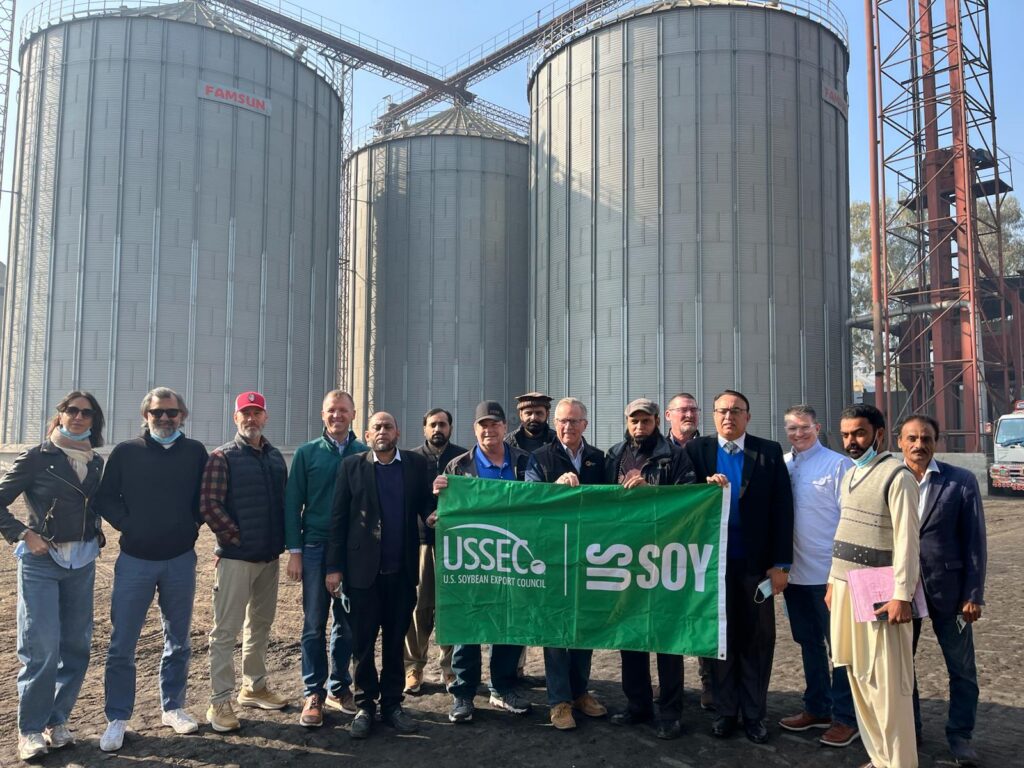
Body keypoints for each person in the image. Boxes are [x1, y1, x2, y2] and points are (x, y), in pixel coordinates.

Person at [95, 387, 209, 751]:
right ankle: (117, 717)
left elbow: (205, 497)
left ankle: (172, 707)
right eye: (157, 412)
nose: (164, 418)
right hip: (135, 561)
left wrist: (191, 525)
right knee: (122, 644)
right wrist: (129, 525)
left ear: (182, 416)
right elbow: (105, 498)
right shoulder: (126, 452)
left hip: (180, 560)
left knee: (178, 640)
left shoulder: (195, 452)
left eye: (171, 412)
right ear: (146, 415)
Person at [0, 391, 105, 761]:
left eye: (86, 412)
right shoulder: (36, 457)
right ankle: (30, 729)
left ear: (94, 420)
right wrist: (23, 534)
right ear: (59, 415)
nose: (78, 416)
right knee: (41, 647)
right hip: (42, 562)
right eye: (71, 410)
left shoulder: (96, 462)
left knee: (76, 646)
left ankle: (56, 720)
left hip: (83, 561)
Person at [686, 389, 794, 744]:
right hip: (711, 567)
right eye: (722, 411)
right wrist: (701, 489)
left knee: (757, 641)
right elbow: (679, 495)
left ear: (747, 416)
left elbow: (782, 508)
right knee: (720, 640)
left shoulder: (768, 452)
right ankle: (725, 712)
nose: (728, 417)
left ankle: (754, 714)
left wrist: (781, 564)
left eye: (736, 411)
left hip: (755, 567)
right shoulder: (697, 451)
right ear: (713, 415)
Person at [325, 411, 435, 739]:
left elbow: (425, 505)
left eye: (388, 426)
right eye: (377, 427)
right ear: (368, 435)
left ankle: (392, 704)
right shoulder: (352, 466)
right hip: (362, 574)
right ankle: (364, 706)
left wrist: (433, 514)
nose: (383, 431)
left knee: (394, 643)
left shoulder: (415, 465)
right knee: (362, 644)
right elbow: (338, 519)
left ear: (397, 432)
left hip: (401, 573)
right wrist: (333, 568)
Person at [828, 404, 920, 768]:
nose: (851, 441)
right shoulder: (851, 473)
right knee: (858, 676)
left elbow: (907, 541)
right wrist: (833, 581)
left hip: (879, 590)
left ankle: (900, 762)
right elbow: (845, 530)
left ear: (879, 434)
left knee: (886, 684)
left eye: (859, 433)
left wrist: (902, 595)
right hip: (845, 588)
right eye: (846, 434)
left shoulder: (897, 476)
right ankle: (880, 758)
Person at [433, 400, 534, 724]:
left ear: (505, 427)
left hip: (513, 556)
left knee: (509, 623)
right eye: (483, 425)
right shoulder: (458, 467)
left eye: (495, 424)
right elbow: (443, 510)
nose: (489, 430)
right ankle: (464, 692)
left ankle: (502, 687)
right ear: (475, 429)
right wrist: (440, 497)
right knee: (468, 623)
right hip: (473, 558)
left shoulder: (523, 462)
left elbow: (537, 500)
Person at [897, 414, 986, 767]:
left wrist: (973, 594)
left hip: (950, 593)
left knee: (961, 669)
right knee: (902, 667)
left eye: (926, 438)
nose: (919, 445)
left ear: (937, 441)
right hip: (902, 593)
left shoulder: (959, 481)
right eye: (912, 438)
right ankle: (911, 729)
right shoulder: (891, 478)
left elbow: (975, 542)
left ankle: (960, 736)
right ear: (899, 442)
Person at [605, 398, 695, 740]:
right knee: (630, 636)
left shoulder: (674, 455)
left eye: (645, 420)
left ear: (657, 420)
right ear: (626, 421)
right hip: (625, 556)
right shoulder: (614, 455)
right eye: (634, 420)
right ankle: (638, 705)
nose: (639, 426)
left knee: (666, 637)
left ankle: (670, 712)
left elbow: (689, 500)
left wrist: (651, 491)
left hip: (663, 555)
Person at [200, 391, 290, 732]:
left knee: (261, 624)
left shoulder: (275, 457)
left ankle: (254, 686)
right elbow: (209, 504)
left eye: (257, 413)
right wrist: (236, 537)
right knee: (225, 630)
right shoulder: (222, 456)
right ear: (235, 417)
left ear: (265, 417)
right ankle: (219, 701)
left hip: (269, 558)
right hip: (237, 558)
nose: (251, 419)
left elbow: (283, 501)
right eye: (245, 413)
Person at [525, 397, 608, 731]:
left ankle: (580, 692)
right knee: (557, 629)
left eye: (574, 421)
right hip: (553, 555)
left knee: (583, 627)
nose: (567, 426)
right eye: (561, 421)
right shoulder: (540, 457)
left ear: (585, 424)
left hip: (589, 555)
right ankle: (559, 701)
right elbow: (530, 500)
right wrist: (553, 490)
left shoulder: (599, 459)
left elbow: (614, 503)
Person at [777, 405, 858, 748]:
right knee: (808, 644)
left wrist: (841, 574)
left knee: (840, 649)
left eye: (804, 427)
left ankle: (846, 717)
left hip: (829, 576)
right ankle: (817, 708)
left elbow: (850, 521)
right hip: (794, 575)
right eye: (792, 428)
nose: (798, 434)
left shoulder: (838, 465)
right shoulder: (782, 464)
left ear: (817, 427)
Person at [285, 390, 366, 728]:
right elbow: (293, 503)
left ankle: (339, 686)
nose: (337, 416)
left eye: (343, 410)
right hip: (315, 547)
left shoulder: (364, 453)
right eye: (331, 410)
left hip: (351, 550)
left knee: (346, 625)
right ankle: (313, 692)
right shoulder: (307, 454)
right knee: (314, 623)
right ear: (323, 414)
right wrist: (295, 552)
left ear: (353, 414)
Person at [405, 408, 466, 693]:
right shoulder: (412, 459)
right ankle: (413, 667)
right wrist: (426, 516)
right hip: (422, 542)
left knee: (450, 607)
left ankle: (449, 667)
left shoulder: (463, 459)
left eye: (442, 424)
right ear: (424, 428)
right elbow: (408, 498)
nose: (437, 429)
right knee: (419, 607)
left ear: (450, 428)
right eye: (432, 424)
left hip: (457, 544)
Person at [663, 391, 713, 709]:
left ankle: (710, 684)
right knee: (668, 619)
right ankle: (670, 688)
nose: (689, 414)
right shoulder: (656, 449)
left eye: (693, 409)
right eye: (682, 410)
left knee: (704, 614)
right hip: (664, 548)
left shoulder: (711, 449)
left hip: (702, 544)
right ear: (668, 415)